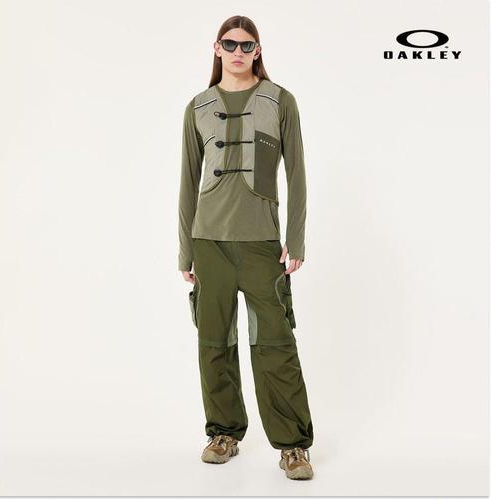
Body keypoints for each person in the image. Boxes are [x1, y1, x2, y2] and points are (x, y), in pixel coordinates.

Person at [177, 15, 314, 480]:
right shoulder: (198, 107)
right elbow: (187, 182)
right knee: (214, 343)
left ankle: (293, 446)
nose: (239, 52)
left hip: (261, 244)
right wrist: (184, 250)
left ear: (258, 50)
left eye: (247, 45)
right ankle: (224, 433)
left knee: (275, 344)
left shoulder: (279, 100)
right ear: (217, 48)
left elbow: (296, 172)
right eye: (230, 44)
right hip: (208, 242)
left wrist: (296, 237)